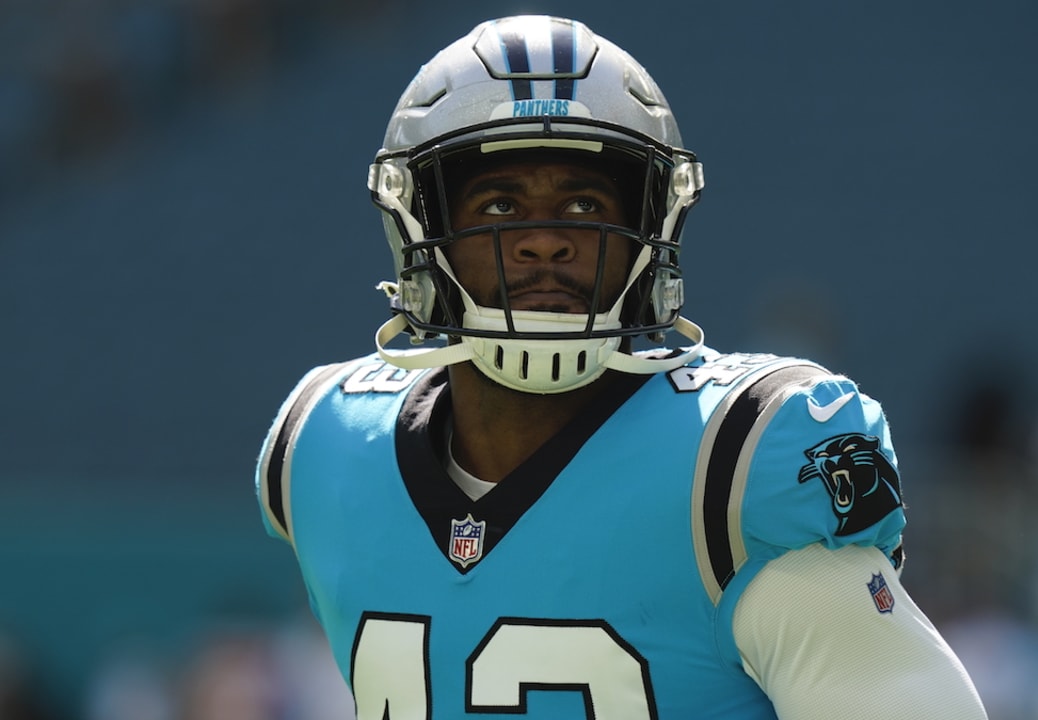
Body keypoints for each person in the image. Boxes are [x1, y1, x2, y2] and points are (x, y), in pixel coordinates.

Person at [256, 14, 988, 719]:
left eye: (582, 203)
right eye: (500, 204)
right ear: (420, 226)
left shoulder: (735, 465)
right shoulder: (321, 445)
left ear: (652, 226)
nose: (545, 242)